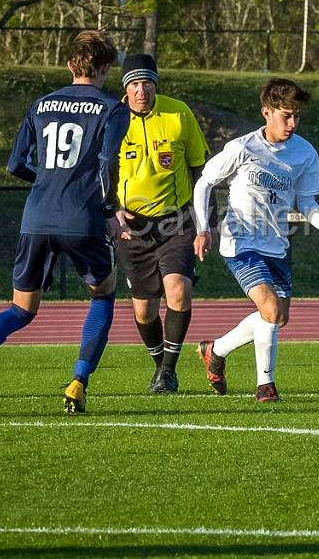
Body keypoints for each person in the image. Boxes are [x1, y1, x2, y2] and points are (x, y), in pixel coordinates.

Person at [0, 30, 127, 414]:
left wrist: (46, 180)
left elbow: (14, 165)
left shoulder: (40, 104)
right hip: (80, 216)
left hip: (36, 215)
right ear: (105, 67)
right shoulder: (112, 108)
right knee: (103, 294)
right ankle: (78, 381)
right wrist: (109, 209)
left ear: (71, 64)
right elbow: (106, 163)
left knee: (21, 309)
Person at [190, 78, 319, 402]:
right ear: (267, 112)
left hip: (277, 245)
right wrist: (203, 228)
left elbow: (306, 204)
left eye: (296, 116)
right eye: (285, 115)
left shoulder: (305, 153)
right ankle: (266, 386)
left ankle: (215, 350)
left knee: (279, 316)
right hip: (241, 241)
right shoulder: (243, 148)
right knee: (269, 309)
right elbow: (204, 183)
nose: (292, 123)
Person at [112, 54, 209, 394]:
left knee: (178, 289)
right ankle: (160, 367)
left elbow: (201, 171)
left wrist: (202, 223)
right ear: (126, 88)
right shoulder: (113, 119)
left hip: (176, 220)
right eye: (135, 84)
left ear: (156, 84)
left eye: (147, 82)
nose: (142, 90)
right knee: (144, 309)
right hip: (131, 227)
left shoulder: (178, 113)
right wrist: (112, 211)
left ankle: (168, 371)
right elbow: (97, 172)